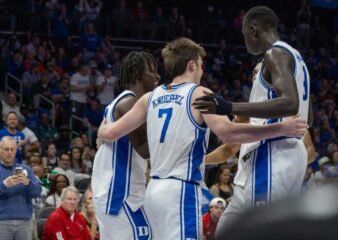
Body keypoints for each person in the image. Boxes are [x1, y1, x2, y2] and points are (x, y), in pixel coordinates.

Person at [98, 37, 307, 240]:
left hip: (153, 191)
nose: (202, 70)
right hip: (181, 190)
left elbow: (109, 133)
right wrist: (281, 128)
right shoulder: (199, 94)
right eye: (200, 65)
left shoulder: (149, 97)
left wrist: (101, 130)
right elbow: (229, 133)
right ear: (191, 65)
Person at [193, 6, 312, 233]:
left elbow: (291, 103)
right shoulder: (298, 60)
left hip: (270, 157)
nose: (245, 39)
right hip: (278, 156)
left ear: (254, 29)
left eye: (244, 34)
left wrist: (228, 106)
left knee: (261, 232)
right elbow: (308, 117)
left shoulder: (274, 54)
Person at [92, 51, 160, 240]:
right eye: (152, 71)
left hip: (117, 193)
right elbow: (145, 149)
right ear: (138, 74)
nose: (157, 76)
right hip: (120, 195)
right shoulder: (128, 102)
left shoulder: (122, 101)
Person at [0, 136, 41, 240]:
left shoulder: (26, 169)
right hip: (2, 222)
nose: (9, 152)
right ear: (0, 150)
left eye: (12, 149)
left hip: (24, 222)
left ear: (16, 151)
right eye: (6, 149)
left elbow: (37, 192)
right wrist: (4, 185)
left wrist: (27, 183)